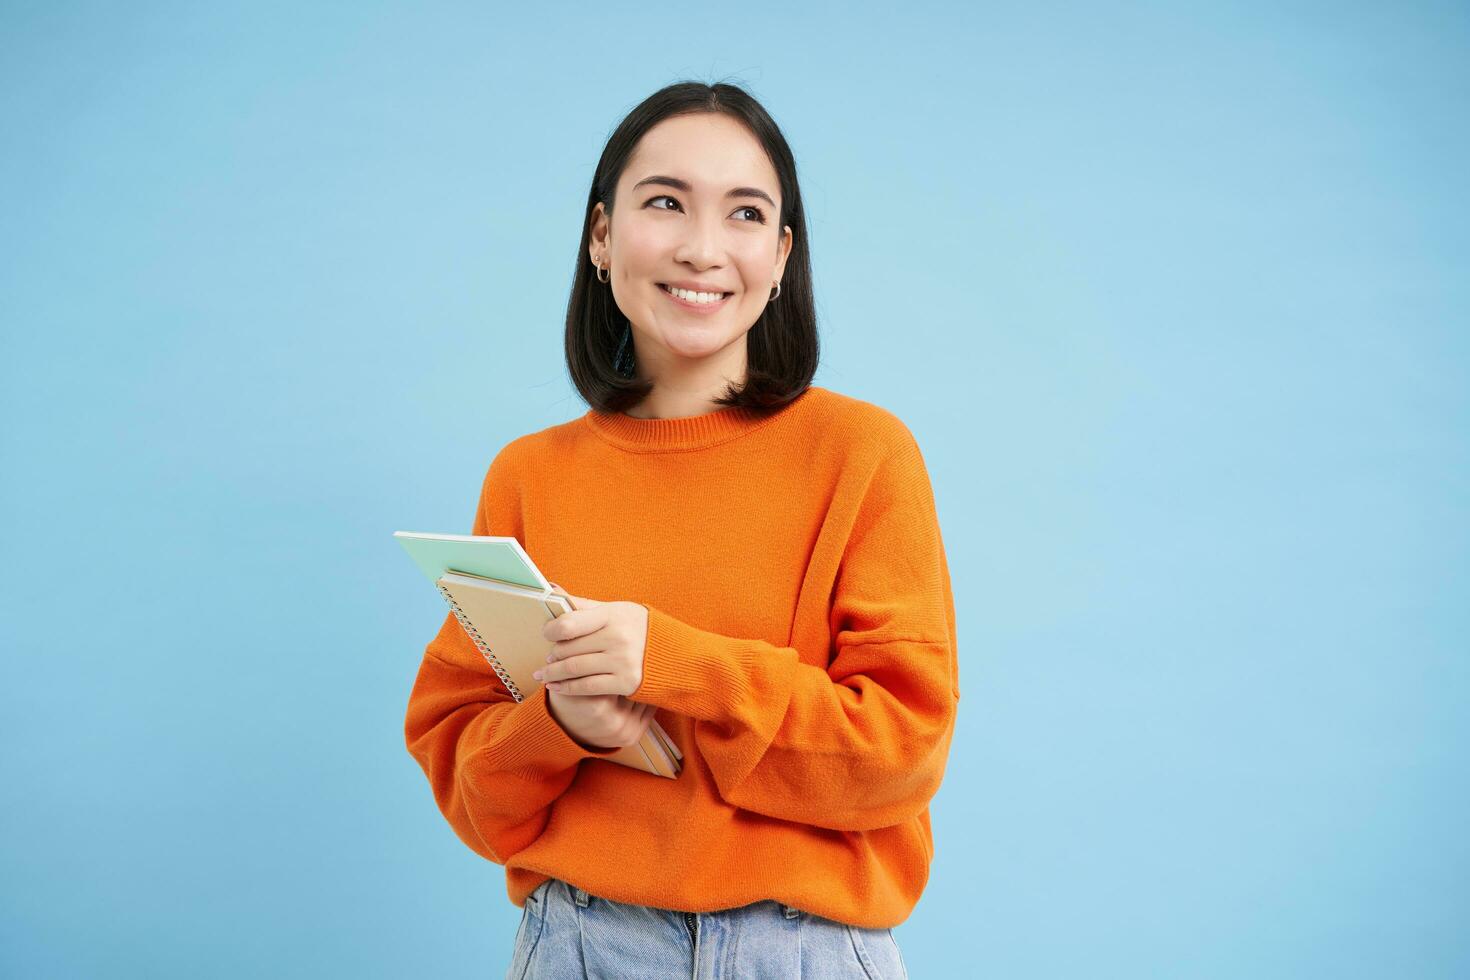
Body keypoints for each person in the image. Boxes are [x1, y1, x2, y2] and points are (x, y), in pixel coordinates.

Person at [404, 79, 959, 980]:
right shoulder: (529, 476)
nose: (704, 249)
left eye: (745, 214)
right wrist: (562, 725)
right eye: (665, 202)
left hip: (805, 949)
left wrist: (672, 662)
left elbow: (898, 757)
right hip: (581, 946)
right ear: (600, 236)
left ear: (781, 258)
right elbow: (474, 797)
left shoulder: (863, 455)